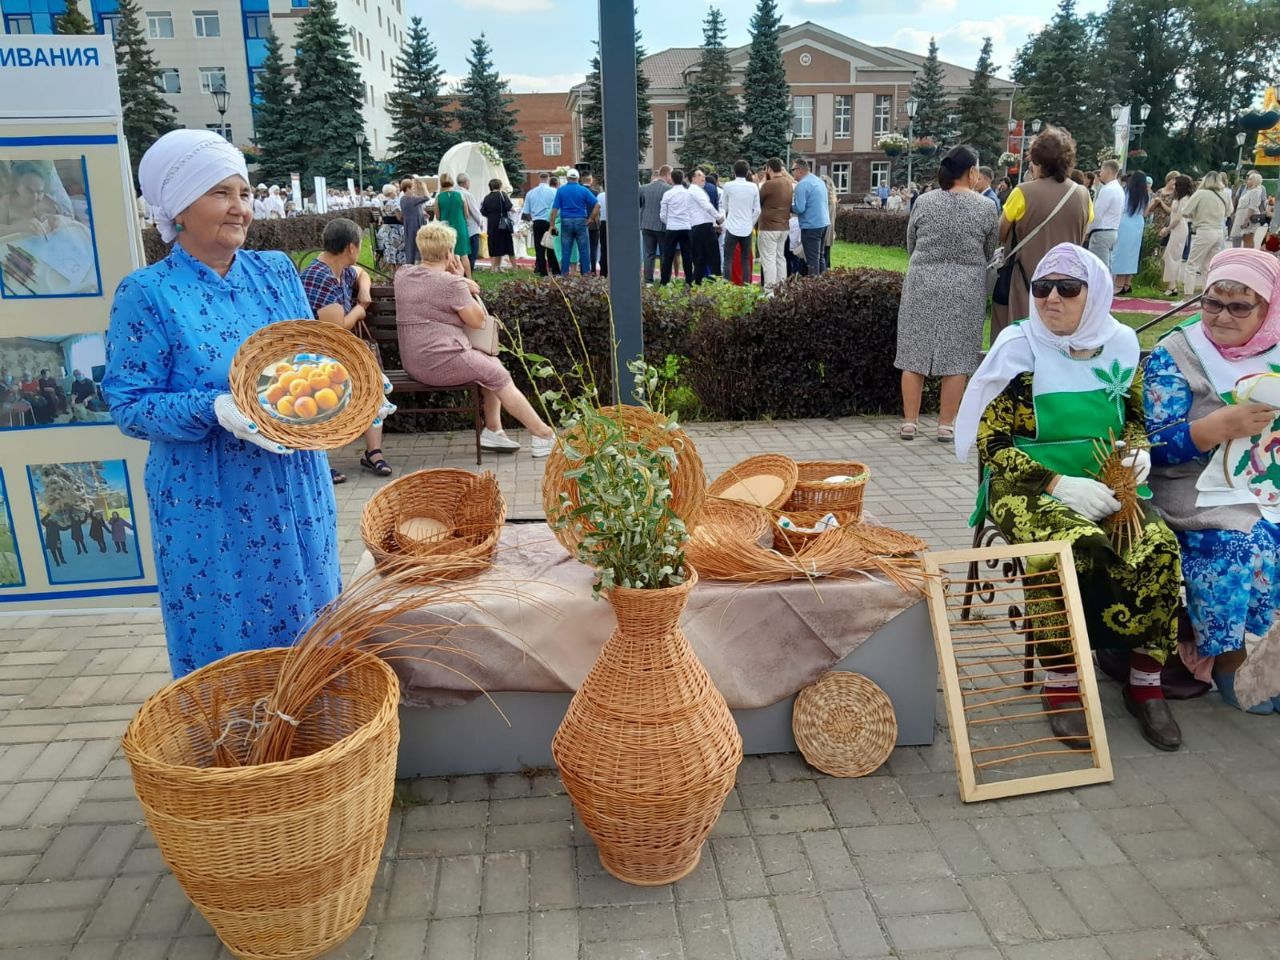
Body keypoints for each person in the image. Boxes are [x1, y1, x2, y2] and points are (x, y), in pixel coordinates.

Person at [103, 129, 347, 677]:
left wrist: (351, 389)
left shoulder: (275, 270)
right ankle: (234, 752)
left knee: (309, 623)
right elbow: (129, 404)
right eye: (220, 193)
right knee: (224, 631)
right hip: (208, 499)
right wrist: (214, 408)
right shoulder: (148, 292)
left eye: (244, 191)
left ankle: (314, 751)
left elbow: (306, 362)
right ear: (178, 209)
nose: (240, 207)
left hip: (293, 484)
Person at [956, 243, 1184, 751]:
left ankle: (1144, 681)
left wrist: (1137, 454)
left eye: (1067, 288)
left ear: (1096, 293)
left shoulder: (1122, 344)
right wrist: (1058, 484)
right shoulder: (1019, 349)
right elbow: (992, 445)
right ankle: (1061, 680)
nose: (1050, 299)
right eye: (1041, 287)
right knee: (1071, 546)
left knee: (1160, 546)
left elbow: (1136, 419)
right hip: (1026, 486)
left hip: (1107, 483)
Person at [1143, 249, 1280, 714]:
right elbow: (1154, 446)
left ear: (1268, 308)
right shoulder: (1177, 352)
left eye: (1240, 306)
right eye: (1212, 302)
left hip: (1267, 483)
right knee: (1242, 543)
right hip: (1192, 484)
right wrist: (1216, 427)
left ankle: (1271, 657)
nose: (1222, 316)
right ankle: (1229, 659)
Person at [396, 222, 556, 456]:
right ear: (449, 253)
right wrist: (463, 282)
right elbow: (477, 321)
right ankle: (543, 435)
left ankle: (494, 430)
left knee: (491, 366)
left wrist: (459, 282)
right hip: (440, 359)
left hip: (414, 360)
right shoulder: (451, 284)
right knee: (499, 374)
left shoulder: (404, 274)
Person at [895, 146, 1000, 442]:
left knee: (914, 353)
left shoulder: (924, 201)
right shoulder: (985, 207)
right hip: (966, 286)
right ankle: (945, 425)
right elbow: (990, 249)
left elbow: (911, 243)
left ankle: (910, 423)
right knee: (957, 357)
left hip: (922, 281)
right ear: (971, 172)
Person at [299, 217, 393, 480]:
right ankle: (318, 460)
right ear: (351, 248)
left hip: (335, 355)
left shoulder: (339, 270)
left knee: (373, 381)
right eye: (359, 246)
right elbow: (337, 330)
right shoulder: (320, 277)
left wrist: (364, 289)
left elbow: (361, 273)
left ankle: (373, 452)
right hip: (313, 357)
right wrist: (361, 310)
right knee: (340, 387)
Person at [993, 126, 1092, 341]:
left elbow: (1000, 233)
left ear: (1037, 160)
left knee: (1019, 340)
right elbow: (1082, 235)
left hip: (1025, 281)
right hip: (1067, 283)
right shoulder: (1082, 194)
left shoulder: (1023, 192)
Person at [1180, 173, 1232, 295]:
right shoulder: (1224, 194)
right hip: (1219, 231)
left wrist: (1197, 216)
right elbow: (1229, 212)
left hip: (1204, 230)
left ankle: (1187, 296)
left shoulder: (1201, 193)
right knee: (1207, 266)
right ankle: (1207, 295)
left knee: (1192, 265)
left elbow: (1186, 211)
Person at [549, 168, 597, 277]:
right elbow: (597, 205)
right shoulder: (584, 190)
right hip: (581, 221)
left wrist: (552, 225)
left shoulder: (561, 190)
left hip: (566, 221)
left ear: (567, 178)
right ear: (578, 178)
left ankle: (565, 275)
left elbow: (554, 209)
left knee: (566, 250)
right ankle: (586, 276)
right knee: (584, 251)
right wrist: (590, 219)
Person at [720, 159, 760, 285]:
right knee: (745, 259)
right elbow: (757, 210)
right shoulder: (753, 187)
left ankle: (726, 286)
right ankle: (747, 286)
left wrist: (729, 219)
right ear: (748, 171)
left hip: (732, 227)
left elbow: (724, 206)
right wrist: (750, 223)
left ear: (734, 172)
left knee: (728, 259)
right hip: (746, 228)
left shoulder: (728, 186)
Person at [758, 158, 793, 291]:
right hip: (784, 227)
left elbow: (758, 201)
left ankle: (769, 291)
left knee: (768, 260)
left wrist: (762, 182)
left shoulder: (769, 185)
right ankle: (781, 288)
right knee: (780, 257)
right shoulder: (788, 183)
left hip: (769, 227)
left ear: (769, 169)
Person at [658, 169, 698, 286]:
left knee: (668, 256)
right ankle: (689, 281)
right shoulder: (688, 194)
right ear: (683, 178)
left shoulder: (668, 194)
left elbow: (663, 214)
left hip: (672, 227)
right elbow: (692, 211)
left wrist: (668, 222)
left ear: (672, 179)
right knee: (687, 255)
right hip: (686, 227)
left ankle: (664, 281)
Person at [791, 159, 830, 276]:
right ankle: (824, 282)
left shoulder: (802, 185)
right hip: (823, 223)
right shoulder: (818, 181)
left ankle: (814, 285)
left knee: (812, 259)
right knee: (820, 255)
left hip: (811, 225)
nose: (792, 173)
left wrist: (789, 206)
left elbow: (800, 208)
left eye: (793, 170)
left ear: (799, 170)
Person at [1113, 169, 1149, 295]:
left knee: (1122, 253)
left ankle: (1118, 284)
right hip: (1138, 223)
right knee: (1133, 254)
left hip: (1125, 222)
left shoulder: (1126, 191)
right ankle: (1127, 283)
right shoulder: (1145, 195)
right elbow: (1145, 212)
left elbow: (1121, 207)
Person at [1158, 174, 1194, 297]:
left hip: (1179, 229)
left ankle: (1172, 286)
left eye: (1176, 184)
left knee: (1172, 256)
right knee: (1170, 256)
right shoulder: (1178, 198)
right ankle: (1171, 284)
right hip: (1175, 228)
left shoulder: (1185, 199)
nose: (1173, 186)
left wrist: (1167, 229)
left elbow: (1178, 218)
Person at [687, 169, 723, 283]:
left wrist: (713, 222)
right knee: (714, 256)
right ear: (693, 178)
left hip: (700, 226)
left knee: (702, 258)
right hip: (703, 227)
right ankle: (718, 282)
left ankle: (696, 281)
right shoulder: (696, 190)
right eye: (699, 175)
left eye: (703, 175)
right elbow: (706, 206)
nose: (703, 177)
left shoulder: (696, 190)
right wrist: (718, 218)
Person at [433, 174, 472, 278]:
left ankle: (450, 277)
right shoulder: (460, 195)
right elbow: (467, 214)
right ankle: (469, 278)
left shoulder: (439, 197)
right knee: (464, 255)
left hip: (446, 229)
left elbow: (437, 216)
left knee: (448, 254)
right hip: (460, 227)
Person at [1087, 160, 1123, 272]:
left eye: (1102, 170)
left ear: (1108, 171)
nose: (1100, 173)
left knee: (1099, 266)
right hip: (1112, 231)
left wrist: (1087, 230)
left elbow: (1097, 214)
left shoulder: (1107, 190)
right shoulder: (1119, 189)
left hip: (1102, 232)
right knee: (1107, 263)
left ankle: (1101, 288)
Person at [639, 166, 672, 284]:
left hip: (646, 224)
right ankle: (665, 281)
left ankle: (648, 281)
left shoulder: (643, 188)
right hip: (662, 226)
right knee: (665, 254)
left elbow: (640, 204)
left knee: (648, 254)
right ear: (666, 175)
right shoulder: (669, 189)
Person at [523, 172, 559, 276]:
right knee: (553, 246)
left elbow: (526, 211)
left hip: (537, 221)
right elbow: (557, 208)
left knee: (539, 248)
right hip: (551, 221)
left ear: (539, 179)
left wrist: (533, 220)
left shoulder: (531, 193)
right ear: (548, 179)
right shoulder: (554, 191)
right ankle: (554, 269)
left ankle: (542, 271)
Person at [480, 179, 515, 273]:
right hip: (502, 222)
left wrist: (491, 215)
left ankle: (494, 267)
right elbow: (508, 207)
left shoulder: (486, 197)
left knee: (493, 243)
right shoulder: (502, 195)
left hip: (491, 223)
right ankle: (514, 267)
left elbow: (483, 211)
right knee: (506, 243)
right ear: (500, 186)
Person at [455, 173, 484, 273]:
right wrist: (481, 223)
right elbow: (474, 211)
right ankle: (468, 274)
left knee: (458, 254)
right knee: (471, 254)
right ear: (466, 182)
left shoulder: (452, 192)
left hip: (456, 228)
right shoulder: (466, 194)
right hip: (471, 228)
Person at [1231, 171, 1266, 249]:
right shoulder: (1248, 191)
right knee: (1237, 238)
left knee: (1247, 240)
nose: (1248, 180)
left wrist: (1246, 220)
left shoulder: (1255, 191)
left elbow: (1252, 207)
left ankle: (1248, 257)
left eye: (1250, 179)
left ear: (1255, 181)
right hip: (1240, 217)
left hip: (1247, 219)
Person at [400, 178, 430, 266]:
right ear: (408, 188)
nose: (414, 189)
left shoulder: (403, 199)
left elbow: (413, 209)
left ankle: (412, 265)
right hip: (415, 226)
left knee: (411, 246)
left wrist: (422, 213)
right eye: (412, 188)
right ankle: (415, 266)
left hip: (410, 225)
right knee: (416, 247)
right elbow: (427, 197)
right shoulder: (410, 199)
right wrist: (424, 187)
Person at [375, 184, 405, 273]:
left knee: (391, 251)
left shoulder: (381, 202)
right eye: (395, 191)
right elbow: (399, 217)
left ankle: (392, 273)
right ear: (391, 192)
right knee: (400, 250)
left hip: (385, 230)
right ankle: (399, 272)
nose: (396, 193)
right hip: (395, 230)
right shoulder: (393, 202)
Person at [820, 174, 838, 273]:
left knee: (822, 253)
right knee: (826, 251)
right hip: (830, 228)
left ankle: (824, 272)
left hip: (824, 227)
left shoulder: (825, 199)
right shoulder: (832, 199)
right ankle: (826, 270)